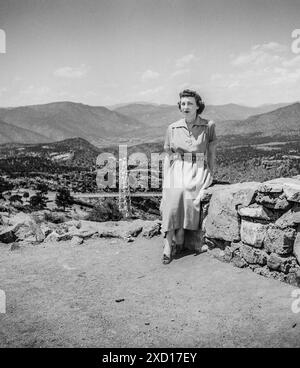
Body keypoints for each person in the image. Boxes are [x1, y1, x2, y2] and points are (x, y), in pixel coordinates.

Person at [160, 89, 217, 264]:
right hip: (177, 167)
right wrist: (165, 178)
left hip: (197, 168)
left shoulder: (208, 126)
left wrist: (211, 174)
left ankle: (181, 232)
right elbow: (169, 155)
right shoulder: (172, 128)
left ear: (198, 106)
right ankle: (168, 243)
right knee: (172, 192)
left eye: (190, 103)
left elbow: (212, 153)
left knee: (184, 191)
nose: (186, 106)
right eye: (183, 103)